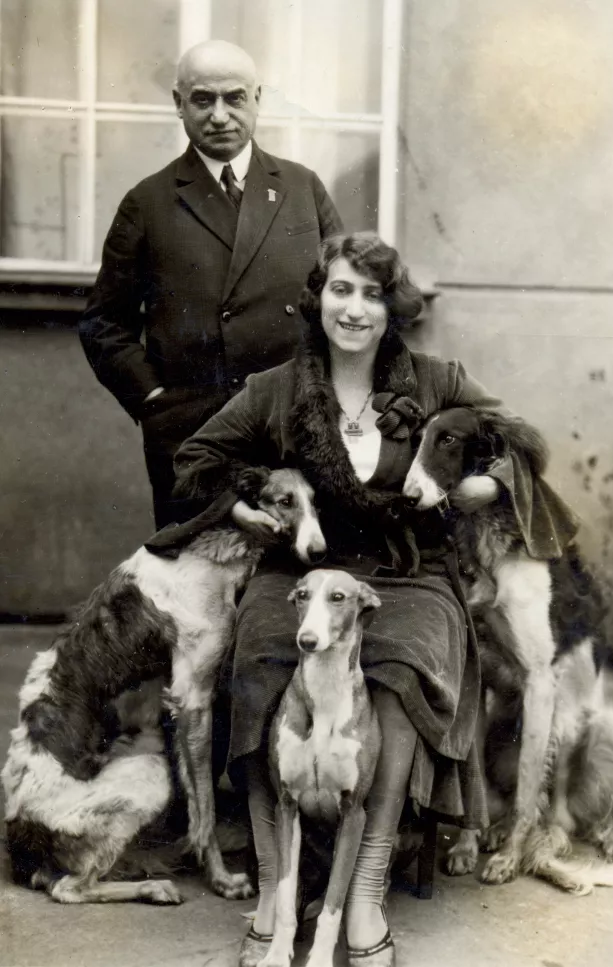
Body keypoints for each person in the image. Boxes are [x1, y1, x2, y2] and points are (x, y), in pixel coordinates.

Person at [146, 233, 579, 966]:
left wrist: (487, 483)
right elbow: (196, 459)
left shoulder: (438, 379)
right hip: (301, 574)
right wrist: (243, 507)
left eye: (373, 294)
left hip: (410, 572)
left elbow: (519, 442)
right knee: (260, 658)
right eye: (340, 290)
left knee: (400, 665)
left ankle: (367, 889)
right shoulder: (275, 388)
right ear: (317, 299)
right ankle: (274, 890)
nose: (354, 309)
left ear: (393, 307)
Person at [80, 39, 342, 528]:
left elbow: (345, 298)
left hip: (294, 431)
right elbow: (103, 324)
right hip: (195, 440)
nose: (220, 115)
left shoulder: (302, 187)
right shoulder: (148, 202)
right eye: (203, 99)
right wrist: (157, 402)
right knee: (202, 568)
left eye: (234, 98)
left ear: (257, 98)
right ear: (179, 103)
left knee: (299, 570)